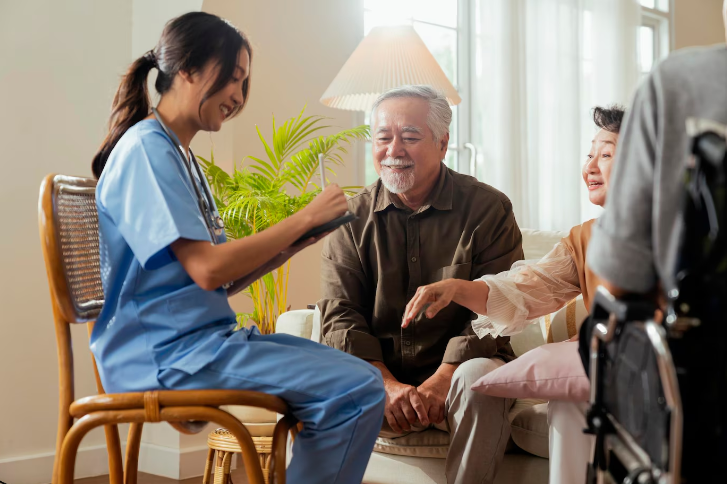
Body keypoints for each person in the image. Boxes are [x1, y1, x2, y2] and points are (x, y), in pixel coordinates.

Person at [91, 12, 385, 484]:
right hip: (166, 355)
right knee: (355, 390)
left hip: (198, 343)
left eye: (244, 82)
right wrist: (303, 216)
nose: (238, 96)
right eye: (233, 77)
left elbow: (214, 279)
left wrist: (288, 247)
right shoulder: (147, 149)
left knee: (358, 382)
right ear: (187, 69)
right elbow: (208, 270)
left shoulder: (180, 156)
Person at [403, 105, 626, 484]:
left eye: (606, 155)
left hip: (674, 373)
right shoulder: (584, 240)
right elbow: (526, 289)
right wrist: (457, 288)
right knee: (570, 403)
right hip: (605, 380)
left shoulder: (688, 231)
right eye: (589, 154)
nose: (589, 167)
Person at [318, 85, 524, 484]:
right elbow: (339, 316)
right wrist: (387, 385)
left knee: (478, 377)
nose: (394, 149)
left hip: (463, 367)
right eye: (383, 137)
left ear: (442, 143)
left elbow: (500, 305)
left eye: (410, 137)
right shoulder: (349, 218)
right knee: (328, 379)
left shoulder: (488, 209)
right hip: (378, 370)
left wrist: (441, 380)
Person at [586, 2, 727, 479]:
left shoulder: (680, 82)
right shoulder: (571, 238)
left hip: (706, 389)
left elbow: (618, 284)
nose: (592, 167)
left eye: (606, 153)